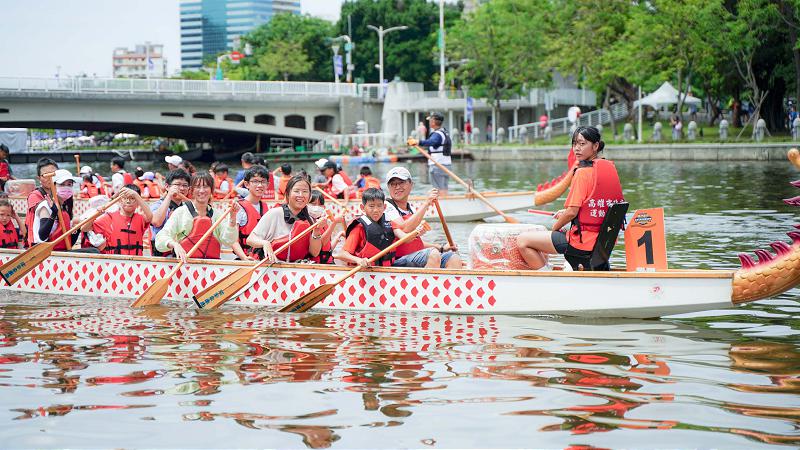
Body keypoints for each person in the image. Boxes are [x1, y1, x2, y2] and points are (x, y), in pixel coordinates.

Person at [517, 126, 624, 270]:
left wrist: (555, 228)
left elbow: (572, 212)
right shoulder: (610, 169)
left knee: (523, 241)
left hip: (582, 242)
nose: (577, 148)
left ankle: (545, 277)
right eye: (574, 144)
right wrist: (568, 213)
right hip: (605, 242)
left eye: (582, 143)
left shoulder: (582, 173)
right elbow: (595, 207)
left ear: (595, 146)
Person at [383, 166, 461, 269]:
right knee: (432, 254)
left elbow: (416, 243)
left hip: (414, 257)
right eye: (393, 184)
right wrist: (427, 203)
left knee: (453, 257)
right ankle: (430, 283)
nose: (397, 187)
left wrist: (441, 248)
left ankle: (448, 284)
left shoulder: (411, 210)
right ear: (388, 188)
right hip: (397, 260)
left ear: (411, 184)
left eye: (401, 182)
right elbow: (405, 229)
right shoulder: (386, 206)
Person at [155, 173, 239, 262]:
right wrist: (174, 244)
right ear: (191, 190)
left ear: (211, 190)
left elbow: (229, 241)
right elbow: (160, 239)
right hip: (185, 266)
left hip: (211, 267)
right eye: (198, 187)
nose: (202, 191)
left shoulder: (217, 215)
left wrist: (232, 218)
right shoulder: (181, 212)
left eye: (206, 187)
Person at [246, 175, 325, 263]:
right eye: (296, 191)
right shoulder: (274, 213)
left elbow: (314, 253)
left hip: (295, 268)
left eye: (305, 191)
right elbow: (250, 240)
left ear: (309, 196)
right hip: (271, 267)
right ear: (287, 194)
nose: (301, 195)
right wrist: (264, 243)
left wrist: (316, 230)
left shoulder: (310, 219)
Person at [336, 188, 419, 267]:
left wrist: (416, 233)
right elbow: (342, 254)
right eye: (371, 206)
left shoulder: (389, 223)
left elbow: (405, 238)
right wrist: (358, 260)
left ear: (384, 207)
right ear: (362, 208)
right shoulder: (359, 228)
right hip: (368, 270)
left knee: (415, 264)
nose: (376, 210)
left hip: (388, 266)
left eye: (379, 206)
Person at [84, 185, 152, 255]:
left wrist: (136, 195)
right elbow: (85, 228)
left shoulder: (141, 219)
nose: (128, 201)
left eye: (132, 198)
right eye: (125, 198)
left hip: (135, 263)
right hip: (115, 262)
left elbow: (150, 217)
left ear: (138, 202)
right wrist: (96, 215)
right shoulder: (109, 217)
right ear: (119, 200)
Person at [27, 166, 78, 250]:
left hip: (59, 251)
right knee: (93, 251)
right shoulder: (45, 206)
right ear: (53, 186)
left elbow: (69, 243)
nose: (66, 188)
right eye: (62, 184)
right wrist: (54, 213)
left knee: (92, 250)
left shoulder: (64, 207)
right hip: (44, 252)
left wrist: (77, 229)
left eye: (69, 184)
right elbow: (42, 236)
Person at [407, 112, 452, 195]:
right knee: (444, 187)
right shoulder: (444, 132)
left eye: (430, 120)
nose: (429, 122)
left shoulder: (437, 134)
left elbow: (432, 141)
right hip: (446, 164)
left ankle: (442, 204)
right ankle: (445, 201)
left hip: (438, 165)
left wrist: (417, 141)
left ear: (433, 121)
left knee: (438, 188)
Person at [234, 165, 274, 259]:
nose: (260, 185)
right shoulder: (238, 208)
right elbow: (233, 241)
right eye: (255, 181)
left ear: (267, 185)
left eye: (263, 182)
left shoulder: (265, 207)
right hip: (245, 258)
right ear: (247, 184)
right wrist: (244, 258)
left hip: (261, 257)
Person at [149, 169, 191, 257]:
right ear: (167, 186)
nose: (182, 188)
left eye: (185, 185)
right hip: (162, 254)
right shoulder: (157, 205)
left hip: (183, 253)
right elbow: (156, 222)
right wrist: (169, 196)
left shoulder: (187, 208)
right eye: (177, 185)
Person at [307, 190, 342, 264]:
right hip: (317, 265)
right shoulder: (307, 223)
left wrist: (338, 237)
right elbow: (320, 244)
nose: (317, 207)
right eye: (313, 204)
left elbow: (327, 248)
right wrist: (334, 223)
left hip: (328, 261)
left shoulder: (323, 221)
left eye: (320, 205)